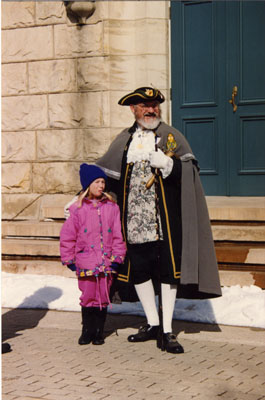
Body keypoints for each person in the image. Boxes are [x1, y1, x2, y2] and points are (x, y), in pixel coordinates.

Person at [65, 87, 222, 354]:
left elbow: (191, 171)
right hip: (133, 224)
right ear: (133, 110)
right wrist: (79, 199)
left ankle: (168, 329)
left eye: (154, 105)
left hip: (165, 224)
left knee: (167, 274)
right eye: (144, 106)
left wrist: (170, 166)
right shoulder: (124, 140)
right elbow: (106, 177)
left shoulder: (172, 136)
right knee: (139, 272)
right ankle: (151, 323)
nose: (151, 110)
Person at [60, 164, 126, 346]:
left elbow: (118, 236)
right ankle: (86, 330)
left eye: (103, 182)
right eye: (97, 182)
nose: (101, 186)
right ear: (88, 184)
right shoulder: (77, 209)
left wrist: (117, 258)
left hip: (106, 262)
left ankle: (99, 331)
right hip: (85, 261)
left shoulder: (112, 207)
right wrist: (70, 261)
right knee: (88, 296)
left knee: (103, 297)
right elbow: (67, 236)